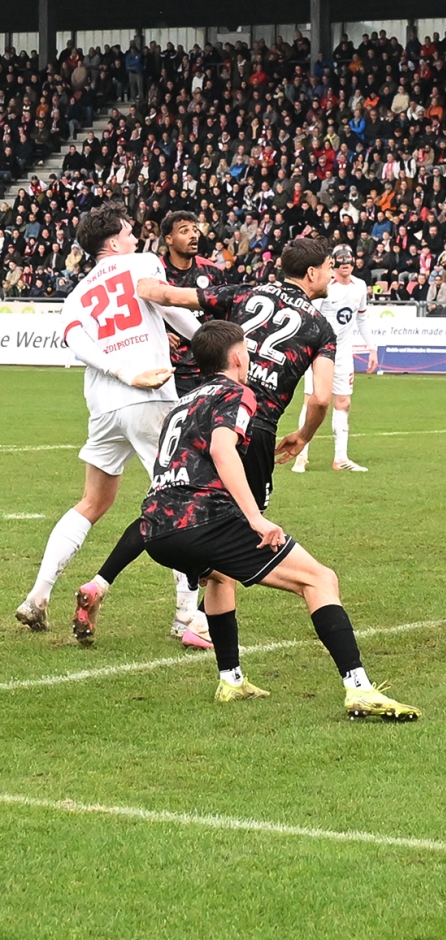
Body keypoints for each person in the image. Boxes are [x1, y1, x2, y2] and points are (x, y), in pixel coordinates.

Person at [70, 237, 348, 640]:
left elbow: (170, 295)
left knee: (170, 503)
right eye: (328, 268)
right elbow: (320, 397)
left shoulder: (246, 292)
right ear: (311, 273)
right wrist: (304, 435)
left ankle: (102, 582)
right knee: (237, 525)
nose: (331, 275)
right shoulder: (320, 327)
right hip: (252, 423)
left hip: (201, 411)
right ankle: (198, 623)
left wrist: (141, 284)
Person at [139, 320, 418, 719]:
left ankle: (231, 680)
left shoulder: (183, 404)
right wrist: (255, 518)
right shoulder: (238, 393)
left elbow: (183, 462)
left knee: (220, 575)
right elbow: (221, 450)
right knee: (319, 579)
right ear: (238, 358)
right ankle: (359, 688)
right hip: (201, 519)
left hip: (155, 526)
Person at [15, 203, 203, 648]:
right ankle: (186, 616)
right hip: (149, 396)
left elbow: (76, 341)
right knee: (182, 499)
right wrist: (214, 341)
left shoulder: (79, 292)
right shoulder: (143, 262)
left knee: (93, 501)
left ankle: (38, 595)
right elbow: (169, 306)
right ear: (115, 241)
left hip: (104, 406)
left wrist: (117, 372)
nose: (136, 238)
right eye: (129, 232)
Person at [293, 245, 371, 473]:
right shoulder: (325, 287)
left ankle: (340, 458)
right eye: (340, 259)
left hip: (344, 354)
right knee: (312, 400)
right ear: (334, 262)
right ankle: (301, 456)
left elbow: (362, 318)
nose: (345, 262)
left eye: (349, 258)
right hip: (320, 352)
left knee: (344, 402)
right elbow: (311, 317)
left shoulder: (360, 286)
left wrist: (372, 347)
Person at [158, 210, 224, 395]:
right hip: (171, 371)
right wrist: (161, 334)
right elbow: (140, 316)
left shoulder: (212, 271)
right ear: (169, 239)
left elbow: (227, 315)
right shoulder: (155, 273)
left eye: (195, 230)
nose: (193, 235)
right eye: (184, 231)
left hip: (210, 368)